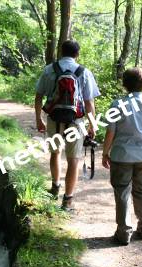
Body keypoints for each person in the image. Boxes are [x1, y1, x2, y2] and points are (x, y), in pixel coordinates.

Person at [35, 40, 101, 211]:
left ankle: (55, 187)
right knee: (73, 160)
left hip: (53, 119)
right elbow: (89, 103)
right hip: (76, 121)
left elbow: (38, 96)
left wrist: (38, 119)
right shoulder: (84, 72)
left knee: (55, 153)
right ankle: (68, 200)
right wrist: (92, 125)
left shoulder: (50, 69)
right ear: (77, 54)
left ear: (60, 52)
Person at [102, 67, 142, 245]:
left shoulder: (117, 105)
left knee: (122, 192)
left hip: (122, 155)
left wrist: (105, 152)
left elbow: (110, 132)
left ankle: (124, 232)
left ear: (125, 84)